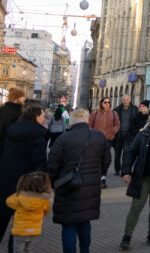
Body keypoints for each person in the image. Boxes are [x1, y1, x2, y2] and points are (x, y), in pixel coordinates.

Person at [48, 108, 108, 253]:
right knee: (84, 220)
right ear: (87, 120)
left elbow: (52, 164)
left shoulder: (63, 139)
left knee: (68, 224)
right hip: (90, 187)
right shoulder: (99, 137)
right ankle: (85, 250)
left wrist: (54, 182)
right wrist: (99, 174)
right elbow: (106, 160)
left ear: (72, 121)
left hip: (67, 186)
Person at [0, 106, 48, 252]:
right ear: (36, 116)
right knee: (20, 223)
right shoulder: (37, 135)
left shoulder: (13, 130)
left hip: (5, 178)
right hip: (24, 184)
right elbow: (40, 162)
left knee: (2, 216)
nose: (44, 118)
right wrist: (45, 181)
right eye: (43, 115)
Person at [119, 108, 150, 250]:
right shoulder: (143, 134)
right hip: (142, 176)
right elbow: (130, 152)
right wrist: (126, 171)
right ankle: (127, 237)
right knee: (136, 206)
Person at [5, 171, 50, 253]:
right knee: (29, 249)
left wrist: (19, 192)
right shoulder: (44, 200)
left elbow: (8, 201)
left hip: (20, 231)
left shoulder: (20, 198)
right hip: (34, 230)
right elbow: (46, 212)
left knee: (18, 249)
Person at [88, 97, 120, 188]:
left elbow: (117, 125)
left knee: (107, 159)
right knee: (96, 158)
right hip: (96, 139)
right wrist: (93, 133)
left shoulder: (114, 113)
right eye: (105, 102)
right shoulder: (95, 113)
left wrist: (113, 130)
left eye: (109, 102)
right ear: (101, 103)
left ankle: (103, 177)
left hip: (108, 139)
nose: (107, 104)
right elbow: (89, 125)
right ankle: (96, 176)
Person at [113, 95, 138, 177]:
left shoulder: (135, 109)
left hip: (129, 135)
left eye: (127, 100)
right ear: (121, 101)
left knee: (126, 153)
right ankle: (117, 169)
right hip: (119, 135)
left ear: (130, 100)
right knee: (117, 153)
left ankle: (124, 171)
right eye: (124, 100)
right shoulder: (116, 110)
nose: (125, 101)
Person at [0, 88, 25, 156]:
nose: (24, 99)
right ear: (16, 99)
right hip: (9, 146)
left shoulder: (2, 109)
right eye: (22, 97)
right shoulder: (15, 112)